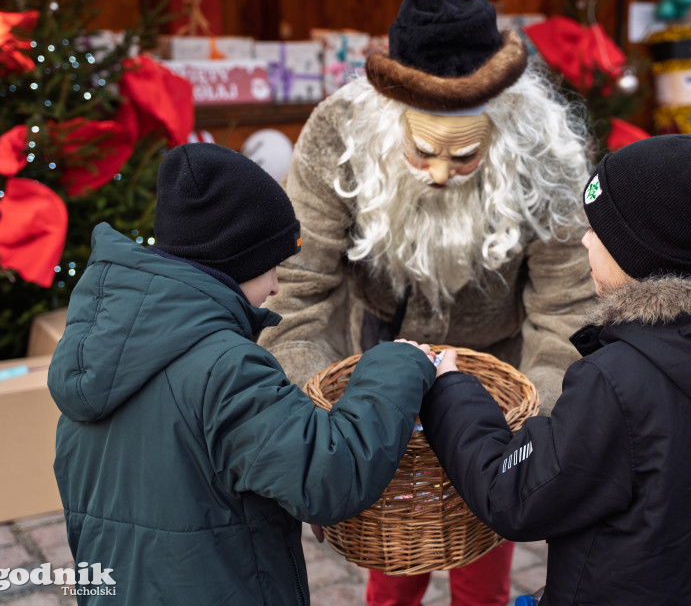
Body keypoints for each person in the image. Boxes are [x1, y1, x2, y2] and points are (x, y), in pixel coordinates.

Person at [258, 0, 596, 606]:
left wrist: (529, 425)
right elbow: (296, 291)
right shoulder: (338, 133)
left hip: (496, 378)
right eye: (422, 151)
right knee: (392, 559)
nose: (440, 174)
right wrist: (322, 418)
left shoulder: (544, 150)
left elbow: (566, 308)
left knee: (483, 561)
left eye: (464, 156)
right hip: (377, 364)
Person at [48, 142, 438, 605]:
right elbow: (328, 475)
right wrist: (399, 361)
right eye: (271, 266)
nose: (275, 286)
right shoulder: (226, 367)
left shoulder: (95, 353)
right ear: (235, 262)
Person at [420, 133, 691, 605]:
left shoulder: (617, 379)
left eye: (598, 231)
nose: (584, 238)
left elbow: (513, 494)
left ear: (636, 251)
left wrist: (451, 391)